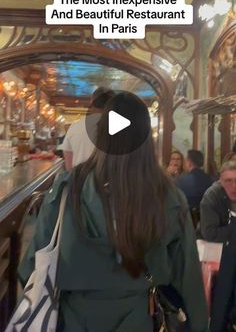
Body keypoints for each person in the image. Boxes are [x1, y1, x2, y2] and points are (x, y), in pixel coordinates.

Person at [19, 92, 208, 332]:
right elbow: (187, 278)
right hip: (138, 316)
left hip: (73, 319)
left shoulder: (67, 189)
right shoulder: (168, 197)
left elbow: (30, 268)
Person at [61, 87, 114, 170]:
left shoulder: (75, 127)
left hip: (79, 181)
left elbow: (69, 167)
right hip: (110, 181)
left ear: (91, 103)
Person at [200, 160, 236, 243]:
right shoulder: (211, 196)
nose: (234, 186)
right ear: (221, 182)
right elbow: (210, 233)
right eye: (228, 181)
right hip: (214, 244)